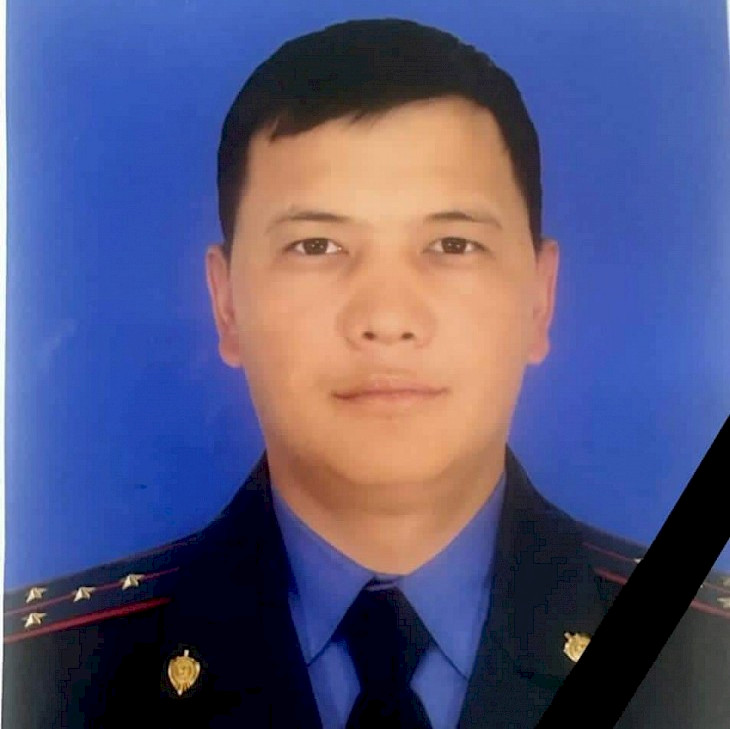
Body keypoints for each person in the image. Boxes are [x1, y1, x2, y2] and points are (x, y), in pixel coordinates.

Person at [3, 17, 729, 729]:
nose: (386, 317)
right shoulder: (38, 678)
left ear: (540, 299)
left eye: (453, 244)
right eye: (316, 245)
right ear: (226, 305)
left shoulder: (708, 659)